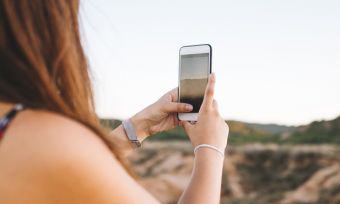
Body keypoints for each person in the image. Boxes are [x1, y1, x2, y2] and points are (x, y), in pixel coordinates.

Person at [0, 1, 229, 203]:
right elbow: (72, 162)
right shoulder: (45, 137)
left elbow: (81, 164)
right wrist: (210, 149)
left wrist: (140, 126)